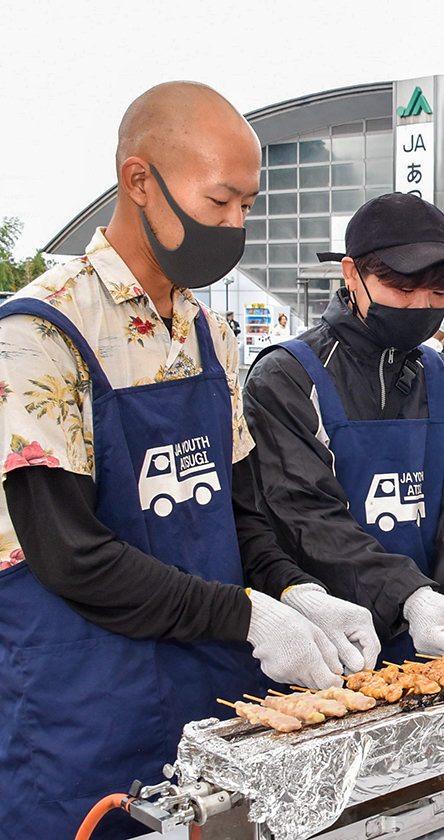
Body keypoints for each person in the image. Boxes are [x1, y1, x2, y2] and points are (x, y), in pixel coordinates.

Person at [0, 82, 378, 840]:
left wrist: (294, 590)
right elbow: (71, 556)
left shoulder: (209, 335)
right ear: (140, 181)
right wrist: (242, 613)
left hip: (212, 697)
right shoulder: (40, 335)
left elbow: (242, 512)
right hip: (86, 710)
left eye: (248, 204)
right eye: (219, 202)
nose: (237, 224)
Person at [243, 193, 444, 661]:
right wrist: (410, 597)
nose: (422, 306)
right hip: (327, 639)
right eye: (403, 290)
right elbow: (306, 517)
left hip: (438, 631)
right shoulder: (289, 378)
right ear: (352, 275)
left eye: (439, 294)